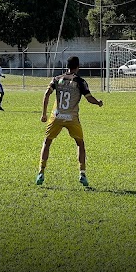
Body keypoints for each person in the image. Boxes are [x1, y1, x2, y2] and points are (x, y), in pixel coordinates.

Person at [36, 56, 103, 187]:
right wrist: (98, 102)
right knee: (80, 144)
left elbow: (46, 94)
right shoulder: (80, 81)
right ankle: (82, 173)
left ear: (67, 66)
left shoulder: (57, 79)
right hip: (71, 118)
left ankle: (41, 172)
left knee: (47, 142)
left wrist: (44, 114)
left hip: (57, 116)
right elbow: (89, 98)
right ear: (78, 67)